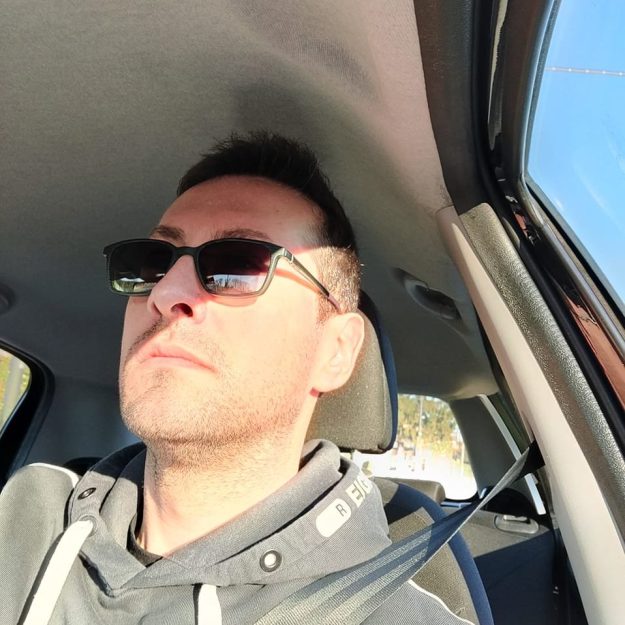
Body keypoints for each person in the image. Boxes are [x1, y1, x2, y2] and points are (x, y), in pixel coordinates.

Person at [0, 133, 474, 624]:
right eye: (154, 263)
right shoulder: (26, 515)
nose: (166, 293)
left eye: (237, 267)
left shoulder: (399, 615)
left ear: (335, 351)